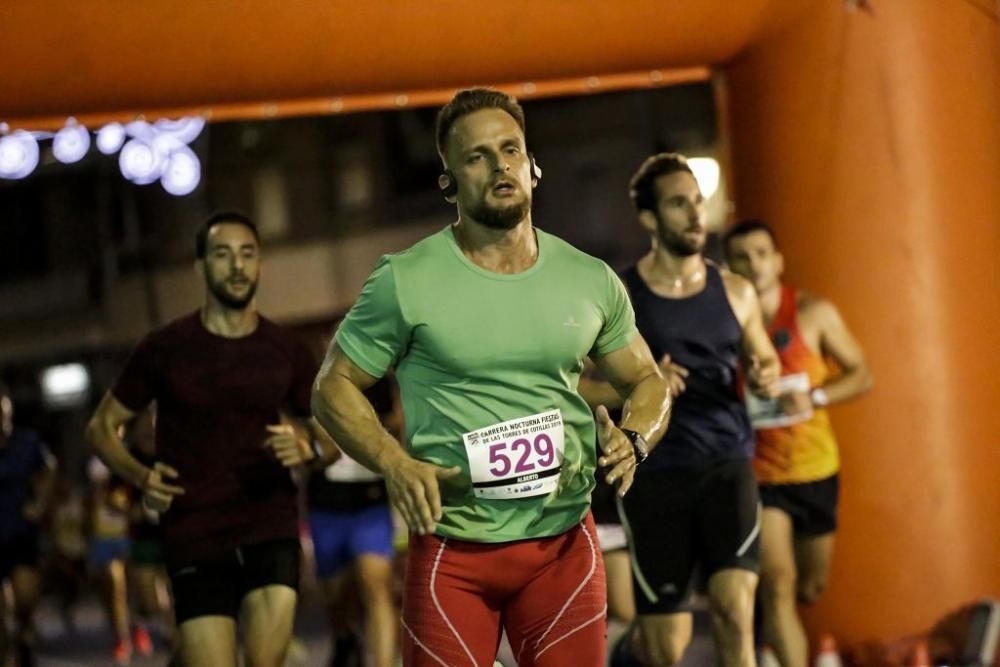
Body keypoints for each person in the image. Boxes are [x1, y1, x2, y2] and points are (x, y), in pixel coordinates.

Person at [311, 88, 672, 667]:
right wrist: (395, 463)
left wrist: (634, 438)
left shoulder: (589, 278)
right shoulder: (405, 279)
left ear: (532, 167)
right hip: (454, 549)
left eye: (510, 149)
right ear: (448, 181)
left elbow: (648, 382)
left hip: (561, 545)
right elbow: (333, 387)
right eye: (477, 155)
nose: (499, 164)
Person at [85, 212, 326, 667]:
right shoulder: (164, 348)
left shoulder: (287, 349)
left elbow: (330, 432)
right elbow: (100, 429)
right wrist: (141, 475)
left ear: (260, 265)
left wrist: (310, 447)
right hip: (195, 530)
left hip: (268, 525)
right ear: (200, 267)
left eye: (247, 254)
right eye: (222, 254)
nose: (237, 265)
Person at [580, 153, 781, 667]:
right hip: (655, 473)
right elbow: (571, 383)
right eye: (677, 204)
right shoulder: (621, 297)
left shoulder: (734, 292)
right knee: (665, 647)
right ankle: (629, 653)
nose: (695, 214)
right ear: (648, 218)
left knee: (735, 612)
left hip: (726, 465)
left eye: (697, 201)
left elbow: (765, 359)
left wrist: (764, 374)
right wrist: (641, 388)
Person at [723, 220, 873, 667]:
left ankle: (771, 643)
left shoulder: (813, 312)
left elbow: (863, 374)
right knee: (779, 583)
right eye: (742, 257)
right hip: (761, 474)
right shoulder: (723, 327)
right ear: (728, 267)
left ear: (778, 261)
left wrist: (814, 394)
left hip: (815, 469)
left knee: (810, 586)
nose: (754, 264)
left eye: (761, 253)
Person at [306, 379, 400, 667]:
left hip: (370, 505)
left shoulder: (381, 383)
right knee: (335, 593)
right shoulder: (317, 382)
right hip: (327, 506)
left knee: (376, 584)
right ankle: (345, 637)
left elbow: (399, 421)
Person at [0, 381, 58, 667]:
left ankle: (24, 635)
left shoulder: (27, 442)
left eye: (4, 415)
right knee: (2, 615)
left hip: (23, 537)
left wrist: (40, 504)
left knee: (24, 602)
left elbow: (50, 471)